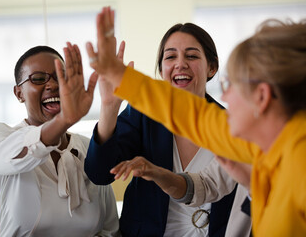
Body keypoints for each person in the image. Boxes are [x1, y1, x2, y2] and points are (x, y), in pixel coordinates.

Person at [86, 7, 306, 237]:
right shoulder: (251, 140)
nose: (225, 97)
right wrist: (119, 77)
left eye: (230, 85)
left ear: (261, 96)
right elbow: (188, 114)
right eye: (171, 56)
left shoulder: (299, 162)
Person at [85, 14, 240, 236]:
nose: (180, 64)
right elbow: (99, 174)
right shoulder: (143, 115)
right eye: (170, 57)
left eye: (192, 55)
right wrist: (109, 106)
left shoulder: (232, 125)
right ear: (161, 70)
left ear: (212, 68)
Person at [0, 44, 120, 236]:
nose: (53, 85)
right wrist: (64, 120)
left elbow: (110, 229)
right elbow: (10, 156)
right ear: (18, 93)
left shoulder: (89, 148)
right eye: (38, 78)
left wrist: (109, 107)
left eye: (60, 76)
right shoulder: (0, 137)